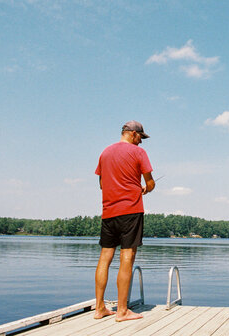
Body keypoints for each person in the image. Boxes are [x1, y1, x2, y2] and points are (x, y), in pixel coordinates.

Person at [93, 120, 155, 322]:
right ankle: (121, 310)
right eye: (141, 138)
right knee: (127, 257)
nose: (141, 142)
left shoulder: (105, 152)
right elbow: (150, 182)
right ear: (133, 134)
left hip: (108, 211)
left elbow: (102, 184)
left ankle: (99, 308)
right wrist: (145, 189)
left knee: (105, 257)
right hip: (131, 211)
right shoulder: (139, 153)